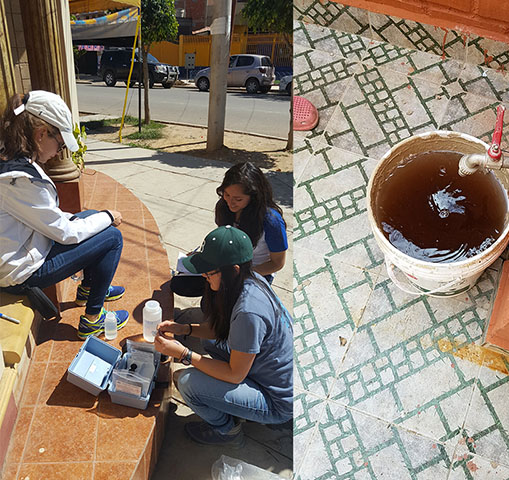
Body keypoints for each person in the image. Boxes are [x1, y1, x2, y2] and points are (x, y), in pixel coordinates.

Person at [0, 91, 129, 338]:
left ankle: (89, 290)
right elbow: (66, 233)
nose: (59, 152)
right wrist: (109, 216)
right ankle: (93, 319)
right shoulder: (19, 181)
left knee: (91, 217)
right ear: (40, 134)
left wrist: (97, 216)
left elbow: (47, 218)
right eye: (60, 144)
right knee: (112, 236)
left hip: (22, 253)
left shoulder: (12, 158)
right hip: (21, 274)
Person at [154, 226, 294, 446]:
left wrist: (184, 354)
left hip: (277, 401)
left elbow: (235, 375)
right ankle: (234, 404)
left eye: (209, 272)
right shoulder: (251, 278)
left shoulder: (249, 312)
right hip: (264, 370)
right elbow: (219, 329)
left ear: (234, 270)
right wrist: (184, 329)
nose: (203, 276)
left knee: (188, 382)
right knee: (208, 339)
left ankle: (226, 431)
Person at [172, 162, 289, 297]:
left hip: (254, 271)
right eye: (226, 195)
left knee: (221, 306)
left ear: (254, 197)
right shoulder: (224, 207)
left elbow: (277, 263)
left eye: (238, 199)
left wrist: (242, 275)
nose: (230, 202)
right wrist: (203, 256)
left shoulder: (271, 221)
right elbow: (224, 241)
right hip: (226, 264)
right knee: (180, 284)